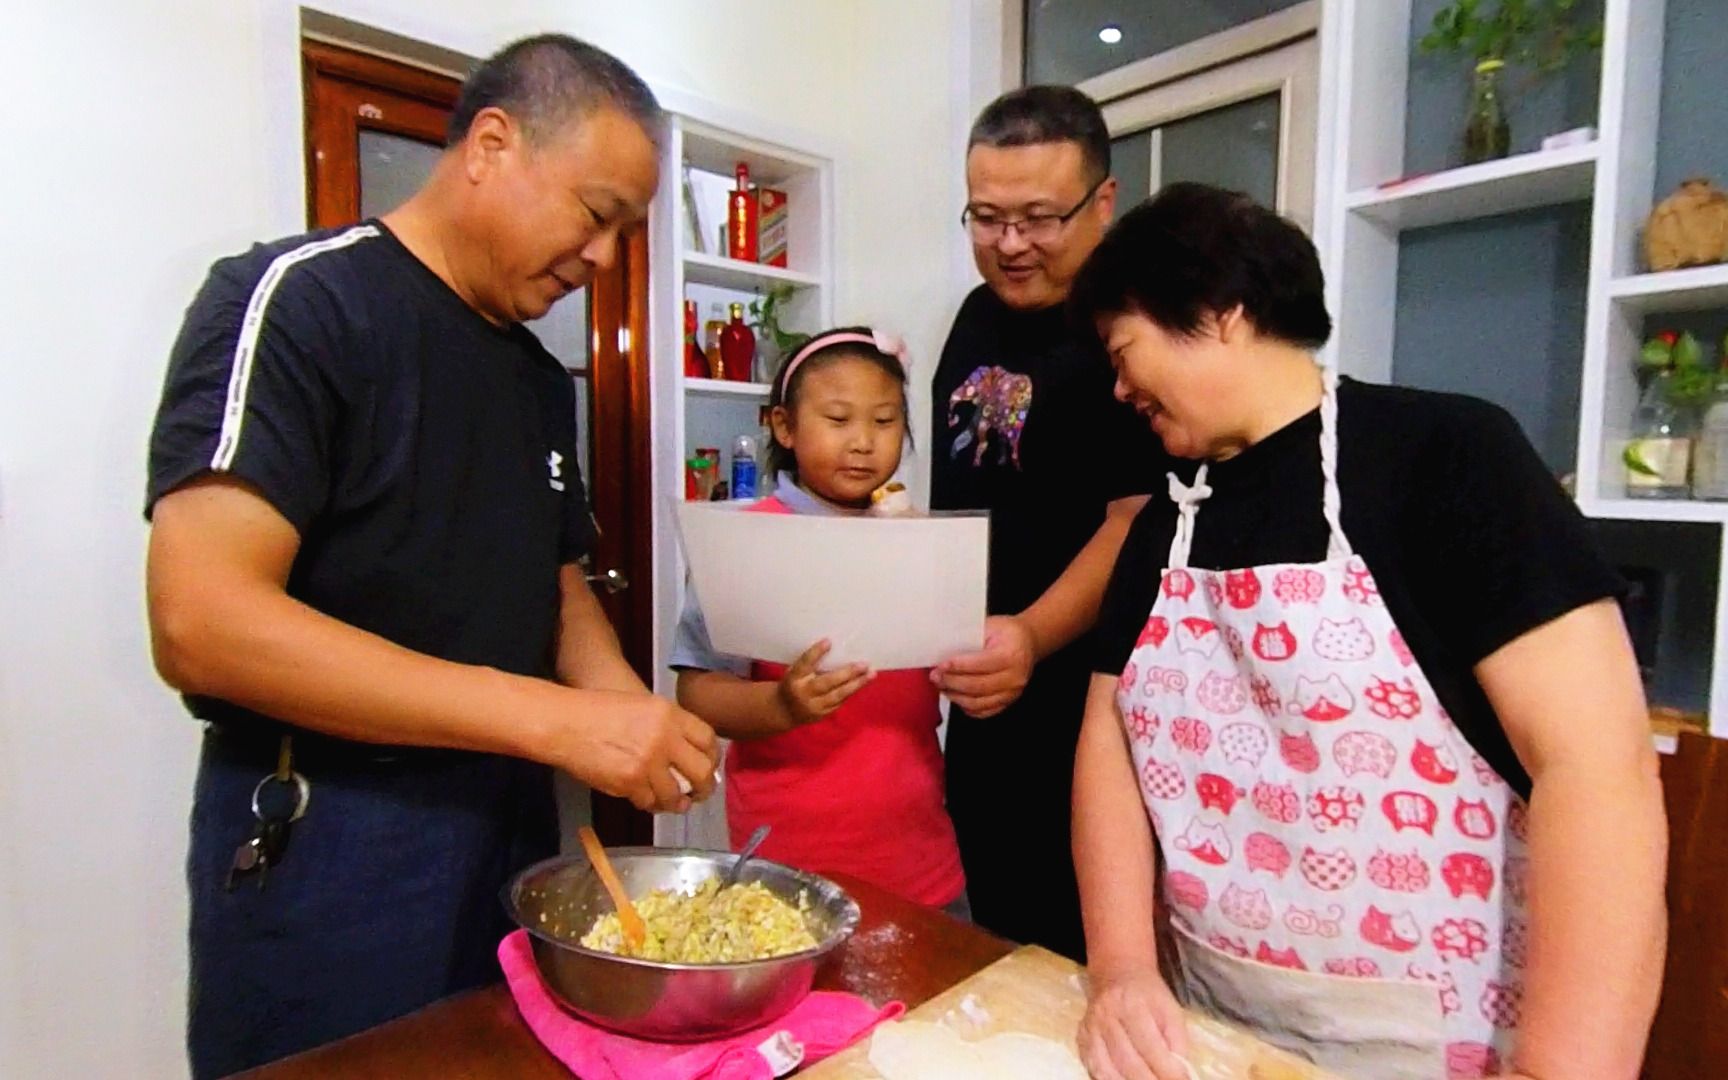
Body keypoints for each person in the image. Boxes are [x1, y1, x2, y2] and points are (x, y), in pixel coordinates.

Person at [144, 36, 719, 1078]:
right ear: (492, 145)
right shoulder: (303, 302)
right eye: (597, 216)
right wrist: (556, 719)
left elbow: (556, 585)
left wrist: (630, 708)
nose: (602, 259)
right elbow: (201, 622)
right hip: (332, 830)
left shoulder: (537, 381)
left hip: (510, 829)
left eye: (622, 232)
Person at [1070, 183, 1667, 1080]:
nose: (1120, 389)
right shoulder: (1167, 516)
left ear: (1218, 313)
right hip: (1213, 1027)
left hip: (1440, 1039)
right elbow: (1108, 735)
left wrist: (1566, 1070)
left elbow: (1596, 768)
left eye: (1125, 352)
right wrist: (1121, 970)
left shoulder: (1446, 455)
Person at [929, 86, 1172, 959]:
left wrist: (1030, 635)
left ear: (1102, 201)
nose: (1009, 244)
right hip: (985, 693)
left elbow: (1136, 517)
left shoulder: (1135, 327)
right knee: (991, 939)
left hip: (1092, 702)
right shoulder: (974, 316)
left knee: (1082, 952)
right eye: (986, 217)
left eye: (1038, 217)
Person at [672, 327, 967, 914]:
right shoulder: (747, 540)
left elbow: (954, 662)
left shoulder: (920, 537)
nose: (863, 443)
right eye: (838, 420)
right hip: (786, 866)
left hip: (922, 862)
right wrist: (780, 707)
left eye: (884, 422)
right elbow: (697, 690)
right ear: (784, 426)